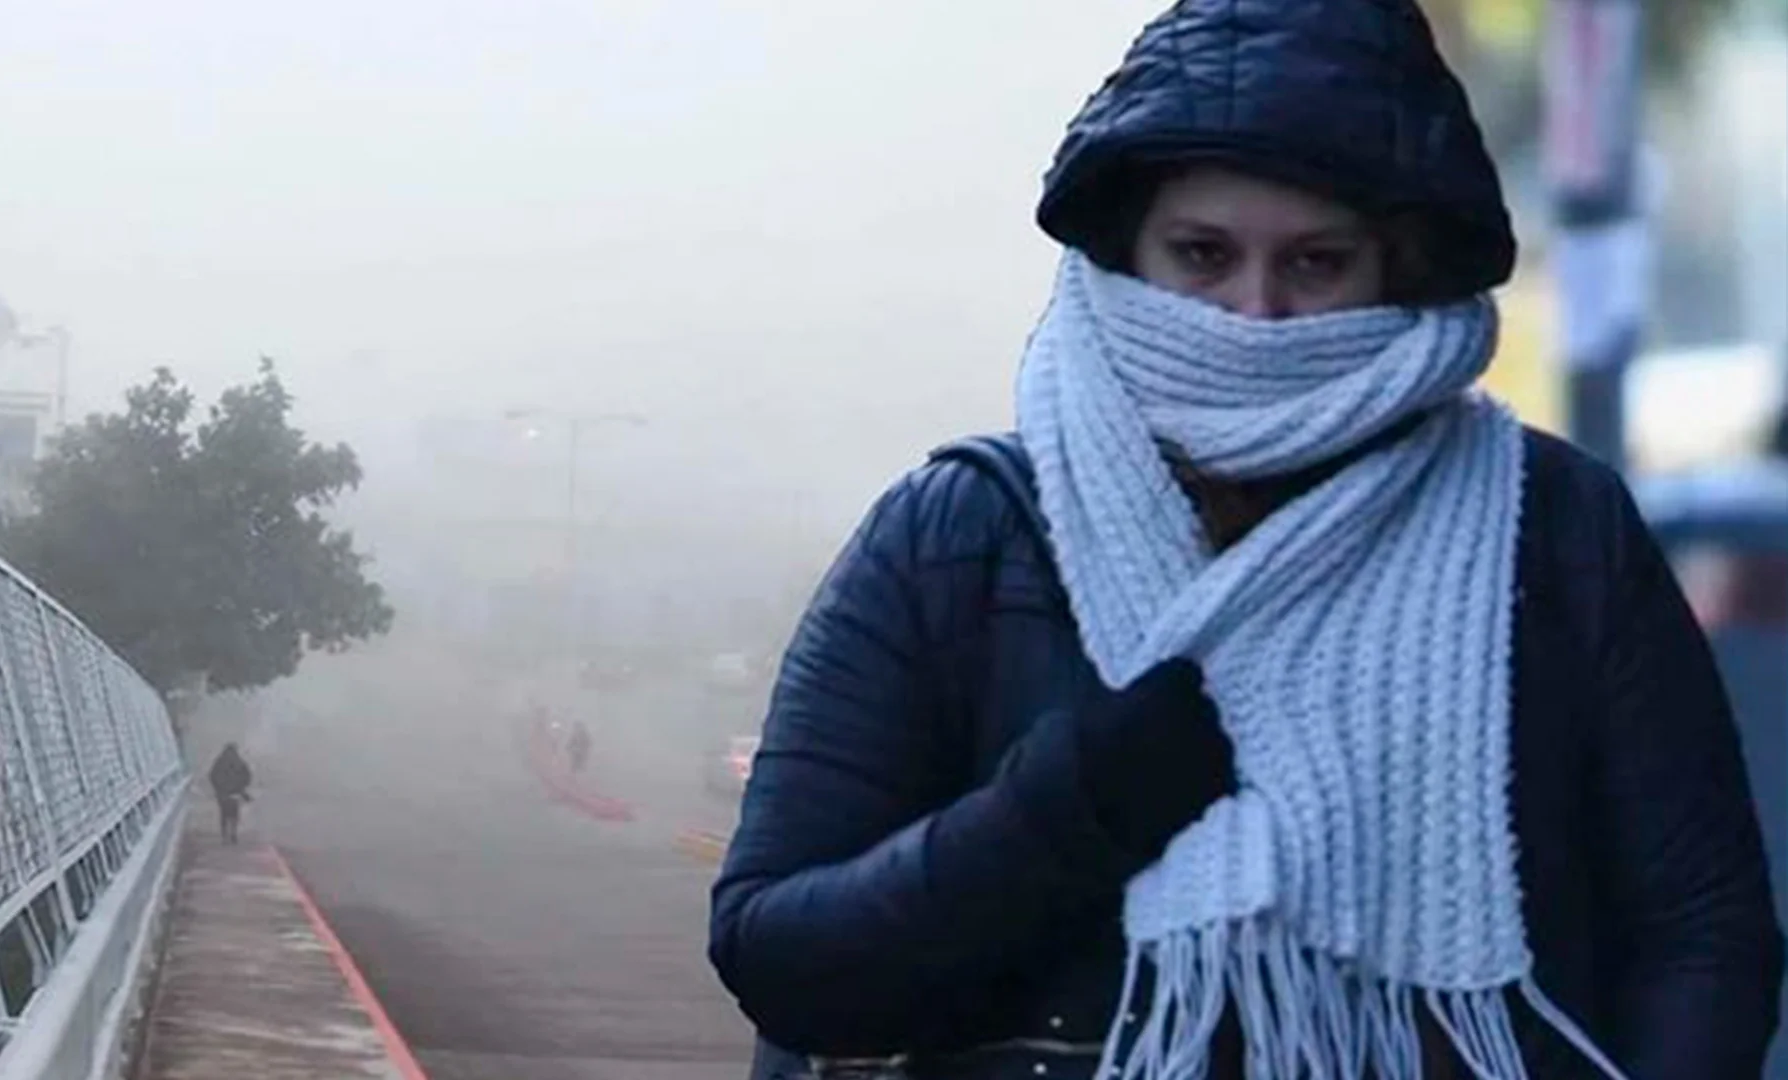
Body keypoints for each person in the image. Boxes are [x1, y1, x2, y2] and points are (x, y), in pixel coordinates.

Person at [707, 1, 1785, 1078]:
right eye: (1203, 255)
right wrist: (1060, 814)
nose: (1253, 317)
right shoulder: (965, 535)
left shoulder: (1552, 529)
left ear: (1396, 271)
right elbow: (781, 953)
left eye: (1316, 264)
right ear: (1129, 253)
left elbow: (1703, 936)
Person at [209, 742, 253, 845]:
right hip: (235, 793)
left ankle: (224, 835)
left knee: (224, 814)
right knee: (234, 814)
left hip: (222, 793)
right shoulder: (240, 762)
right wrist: (242, 787)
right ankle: (233, 833)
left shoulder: (219, 762)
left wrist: (217, 788)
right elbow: (247, 776)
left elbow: (212, 776)